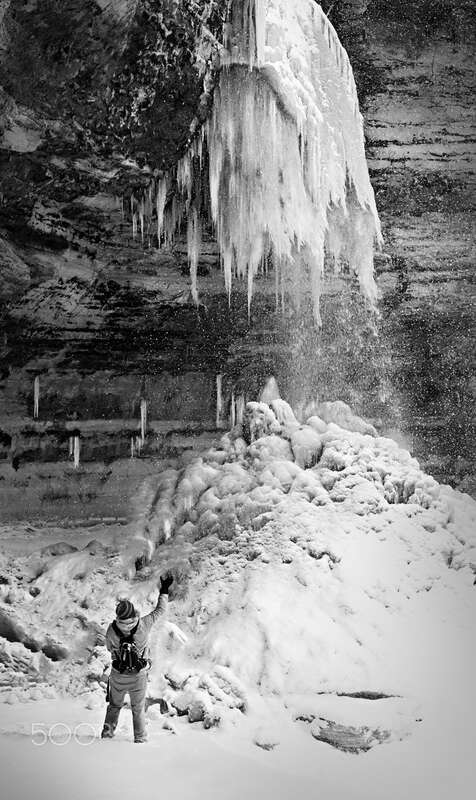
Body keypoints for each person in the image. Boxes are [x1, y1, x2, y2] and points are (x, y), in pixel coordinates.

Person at [101, 572, 173, 743]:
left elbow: (109, 648)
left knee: (114, 706)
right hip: (139, 675)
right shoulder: (143, 624)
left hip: (118, 674)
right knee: (138, 708)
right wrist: (164, 589)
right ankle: (140, 739)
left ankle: (107, 735)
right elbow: (160, 610)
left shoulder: (112, 630)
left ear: (118, 615)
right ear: (133, 612)